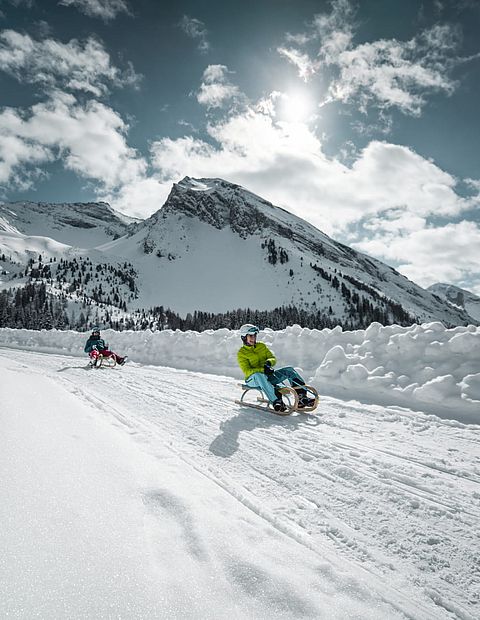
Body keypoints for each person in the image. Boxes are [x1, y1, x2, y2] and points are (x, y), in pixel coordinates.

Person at [237, 324, 315, 412]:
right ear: (244, 337)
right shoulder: (241, 353)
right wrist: (263, 370)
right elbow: (247, 371)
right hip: (253, 380)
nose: (253, 338)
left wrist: (268, 363)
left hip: (267, 375)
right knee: (259, 375)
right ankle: (276, 401)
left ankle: (301, 397)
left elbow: (272, 358)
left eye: (254, 335)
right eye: (250, 336)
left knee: (289, 370)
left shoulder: (261, 346)